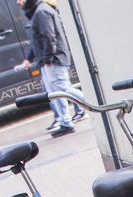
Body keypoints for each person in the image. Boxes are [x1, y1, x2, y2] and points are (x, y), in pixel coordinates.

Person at [16, 0, 85, 137]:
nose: (18, 2)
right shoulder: (38, 11)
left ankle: (92, 103)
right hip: (50, 60)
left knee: (63, 90)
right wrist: (30, 59)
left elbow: (49, 37)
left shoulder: (42, 12)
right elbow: (38, 40)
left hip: (54, 60)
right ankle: (66, 122)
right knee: (55, 93)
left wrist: (48, 59)